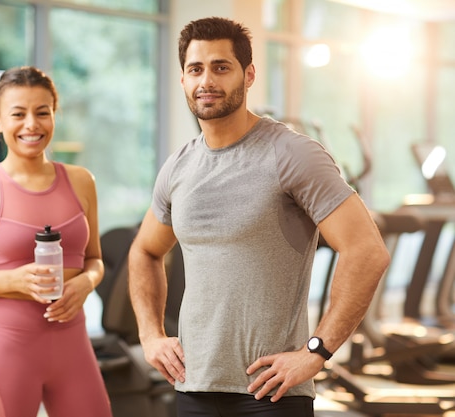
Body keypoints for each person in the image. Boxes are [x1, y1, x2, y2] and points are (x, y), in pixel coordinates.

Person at [128, 17, 390, 417]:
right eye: (195, 69)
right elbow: (144, 252)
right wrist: (150, 336)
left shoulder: (292, 154)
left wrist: (316, 352)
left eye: (221, 67)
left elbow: (367, 250)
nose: (206, 81)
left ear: (248, 75)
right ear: (182, 79)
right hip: (192, 385)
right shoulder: (177, 167)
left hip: (272, 393)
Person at [0, 66, 112, 417]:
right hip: (7, 348)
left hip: (73, 345)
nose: (32, 124)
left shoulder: (81, 181)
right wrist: (10, 280)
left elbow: (94, 259)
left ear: (54, 115)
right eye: (18, 114)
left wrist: (86, 283)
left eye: (42, 112)